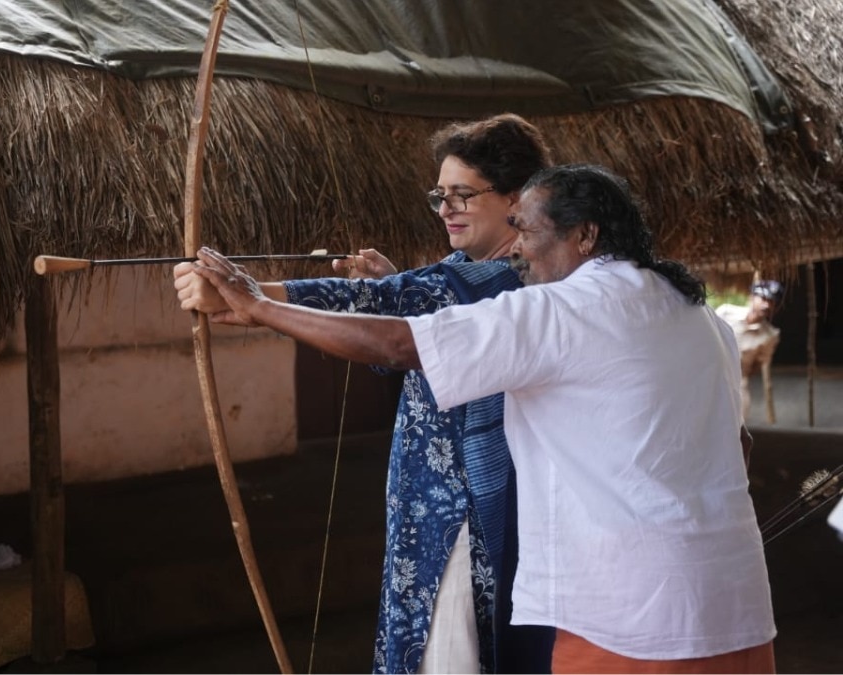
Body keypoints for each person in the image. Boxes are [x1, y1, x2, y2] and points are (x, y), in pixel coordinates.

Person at [181, 164, 777, 674]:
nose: (516, 247)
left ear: (586, 235)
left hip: (629, 619)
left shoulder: (565, 309)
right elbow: (738, 448)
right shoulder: (700, 316)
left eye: (527, 230)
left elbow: (398, 345)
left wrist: (259, 307)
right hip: (736, 606)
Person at [175, 114, 555, 673]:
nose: (446, 208)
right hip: (446, 503)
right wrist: (386, 290)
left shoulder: (496, 279)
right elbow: (415, 319)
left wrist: (252, 299)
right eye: (440, 195)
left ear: (515, 201)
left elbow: (396, 307)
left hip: (459, 513)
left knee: (451, 650)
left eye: (463, 195)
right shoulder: (476, 275)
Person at [716, 280, 784, 423]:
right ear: (752, 297)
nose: (767, 305)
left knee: (736, 425)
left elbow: (758, 365)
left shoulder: (770, 335)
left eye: (772, 302)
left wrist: (740, 373)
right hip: (710, 375)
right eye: (764, 299)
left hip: (738, 383)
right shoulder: (725, 312)